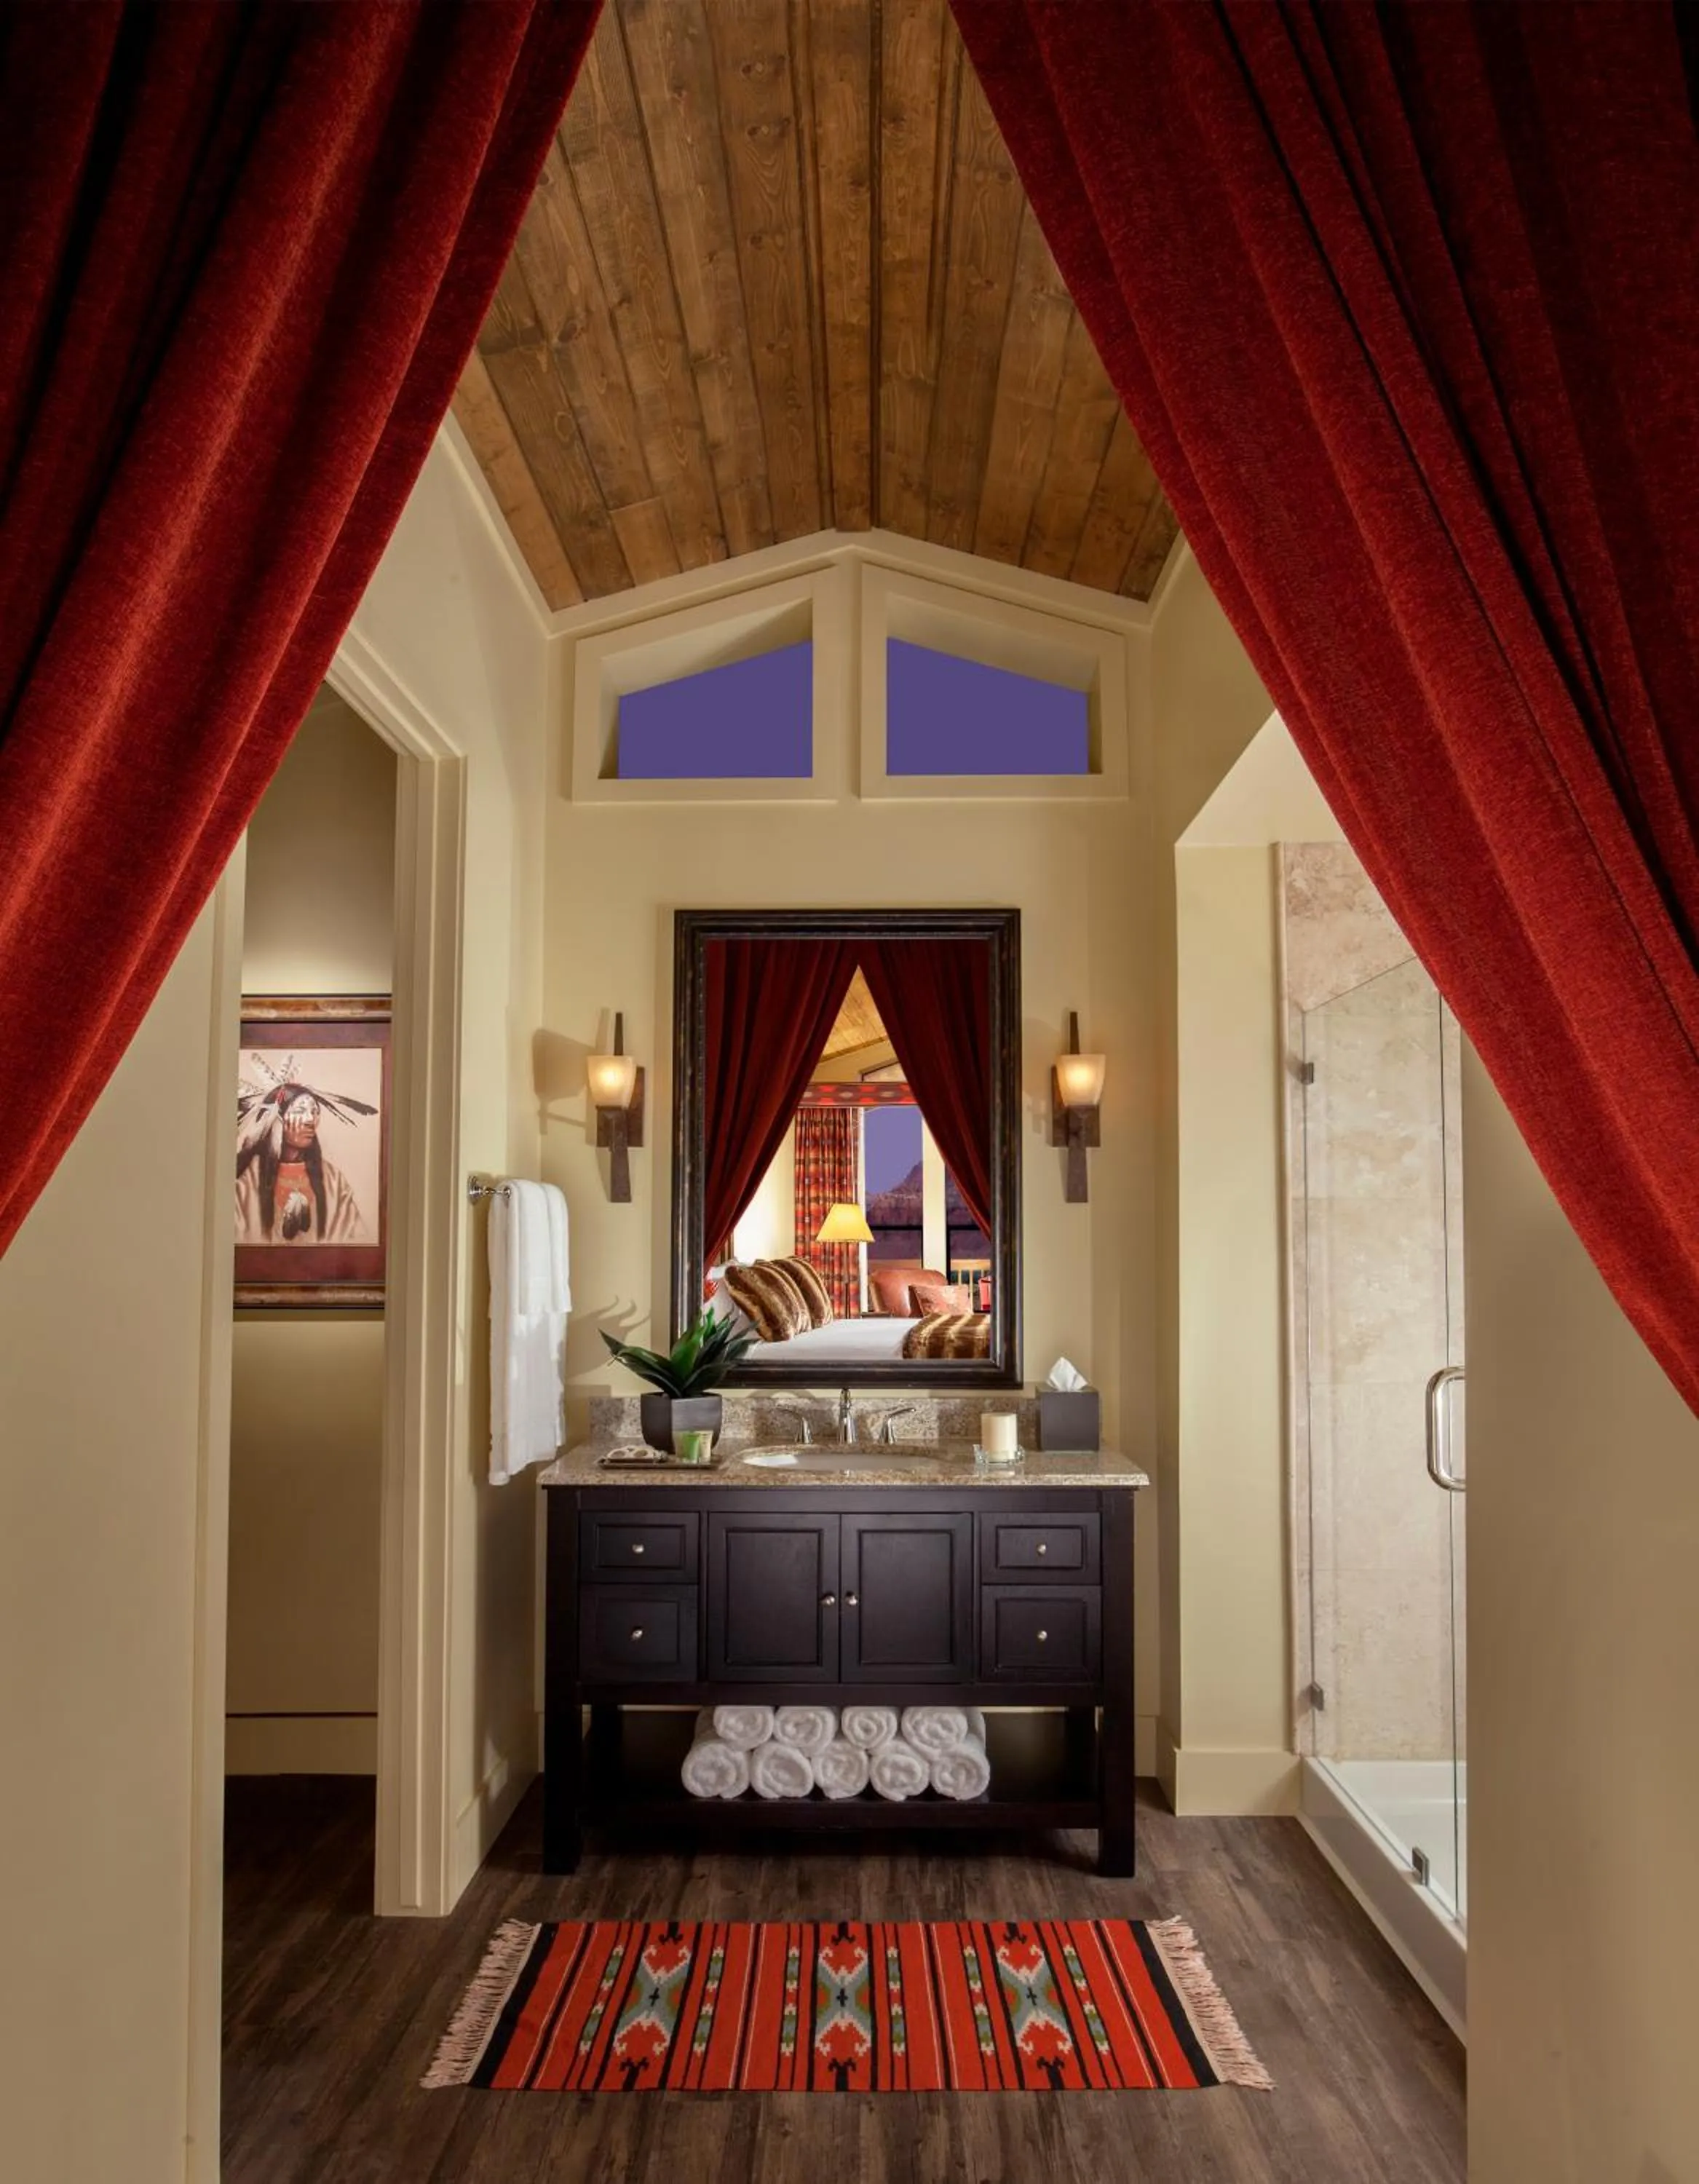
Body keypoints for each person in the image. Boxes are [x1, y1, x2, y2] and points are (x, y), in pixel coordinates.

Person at [235, 1075, 370, 1245]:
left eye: (315, 1112)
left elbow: (355, 1240)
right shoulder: (247, 1181)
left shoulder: (332, 1180)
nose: (310, 1120)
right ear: (276, 1120)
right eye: (300, 1111)